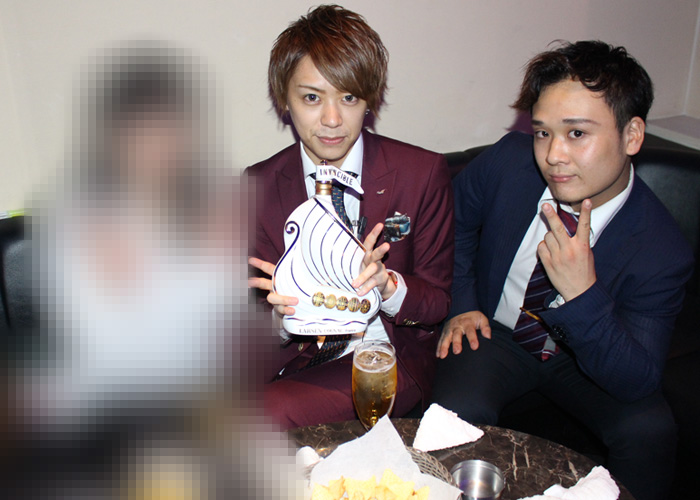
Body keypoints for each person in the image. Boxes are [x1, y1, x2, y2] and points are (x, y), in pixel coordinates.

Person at [433, 40, 694, 500]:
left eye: (576, 133)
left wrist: (583, 295)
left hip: (589, 352)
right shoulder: (508, 163)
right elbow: (451, 223)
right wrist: (463, 303)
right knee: (453, 413)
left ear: (632, 136)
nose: (554, 154)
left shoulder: (661, 248)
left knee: (650, 432)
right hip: (497, 332)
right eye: (542, 133)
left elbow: (635, 380)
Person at [247, 4, 454, 430]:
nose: (332, 119)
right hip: (295, 358)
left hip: (382, 355)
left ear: (369, 99)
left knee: (262, 416)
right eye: (311, 97)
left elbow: (438, 301)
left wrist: (387, 285)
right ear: (284, 99)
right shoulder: (259, 185)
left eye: (349, 97)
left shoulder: (421, 172)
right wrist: (280, 319)